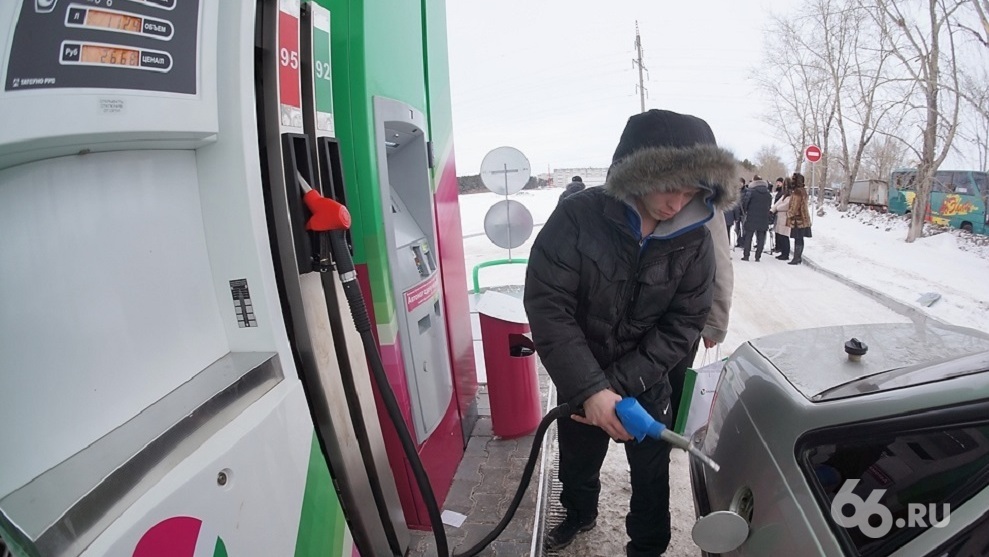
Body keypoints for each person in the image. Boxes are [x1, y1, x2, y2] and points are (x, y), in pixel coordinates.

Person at [524, 109, 737, 556]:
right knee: (577, 463)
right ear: (636, 171)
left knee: (651, 476)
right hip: (580, 378)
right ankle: (579, 513)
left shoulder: (693, 239)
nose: (677, 204)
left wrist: (616, 389)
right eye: (668, 188)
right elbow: (549, 306)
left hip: (646, 383)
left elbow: (684, 323)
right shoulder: (577, 218)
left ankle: (648, 545)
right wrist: (590, 389)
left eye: (691, 192)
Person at [739, 176, 772, 261]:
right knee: (761, 237)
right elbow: (769, 205)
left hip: (751, 217)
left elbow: (745, 203)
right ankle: (758, 256)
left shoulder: (751, 192)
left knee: (748, 236)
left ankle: (746, 255)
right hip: (764, 218)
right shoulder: (768, 193)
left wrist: (745, 211)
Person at [787, 172, 812, 265]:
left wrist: (789, 214)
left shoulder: (797, 192)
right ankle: (798, 257)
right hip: (804, 218)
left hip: (798, 219)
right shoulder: (803, 191)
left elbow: (795, 206)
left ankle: (796, 258)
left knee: (798, 238)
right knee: (800, 238)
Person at [771, 177, 792, 260]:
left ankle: (785, 253)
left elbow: (785, 205)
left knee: (784, 236)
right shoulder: (785, 195)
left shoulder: (790, 195)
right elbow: (778, 203)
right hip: (780, 217)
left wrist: (777, 208)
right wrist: (772, 210)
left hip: (785, 217)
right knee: (780, 235)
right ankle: (783, 252)